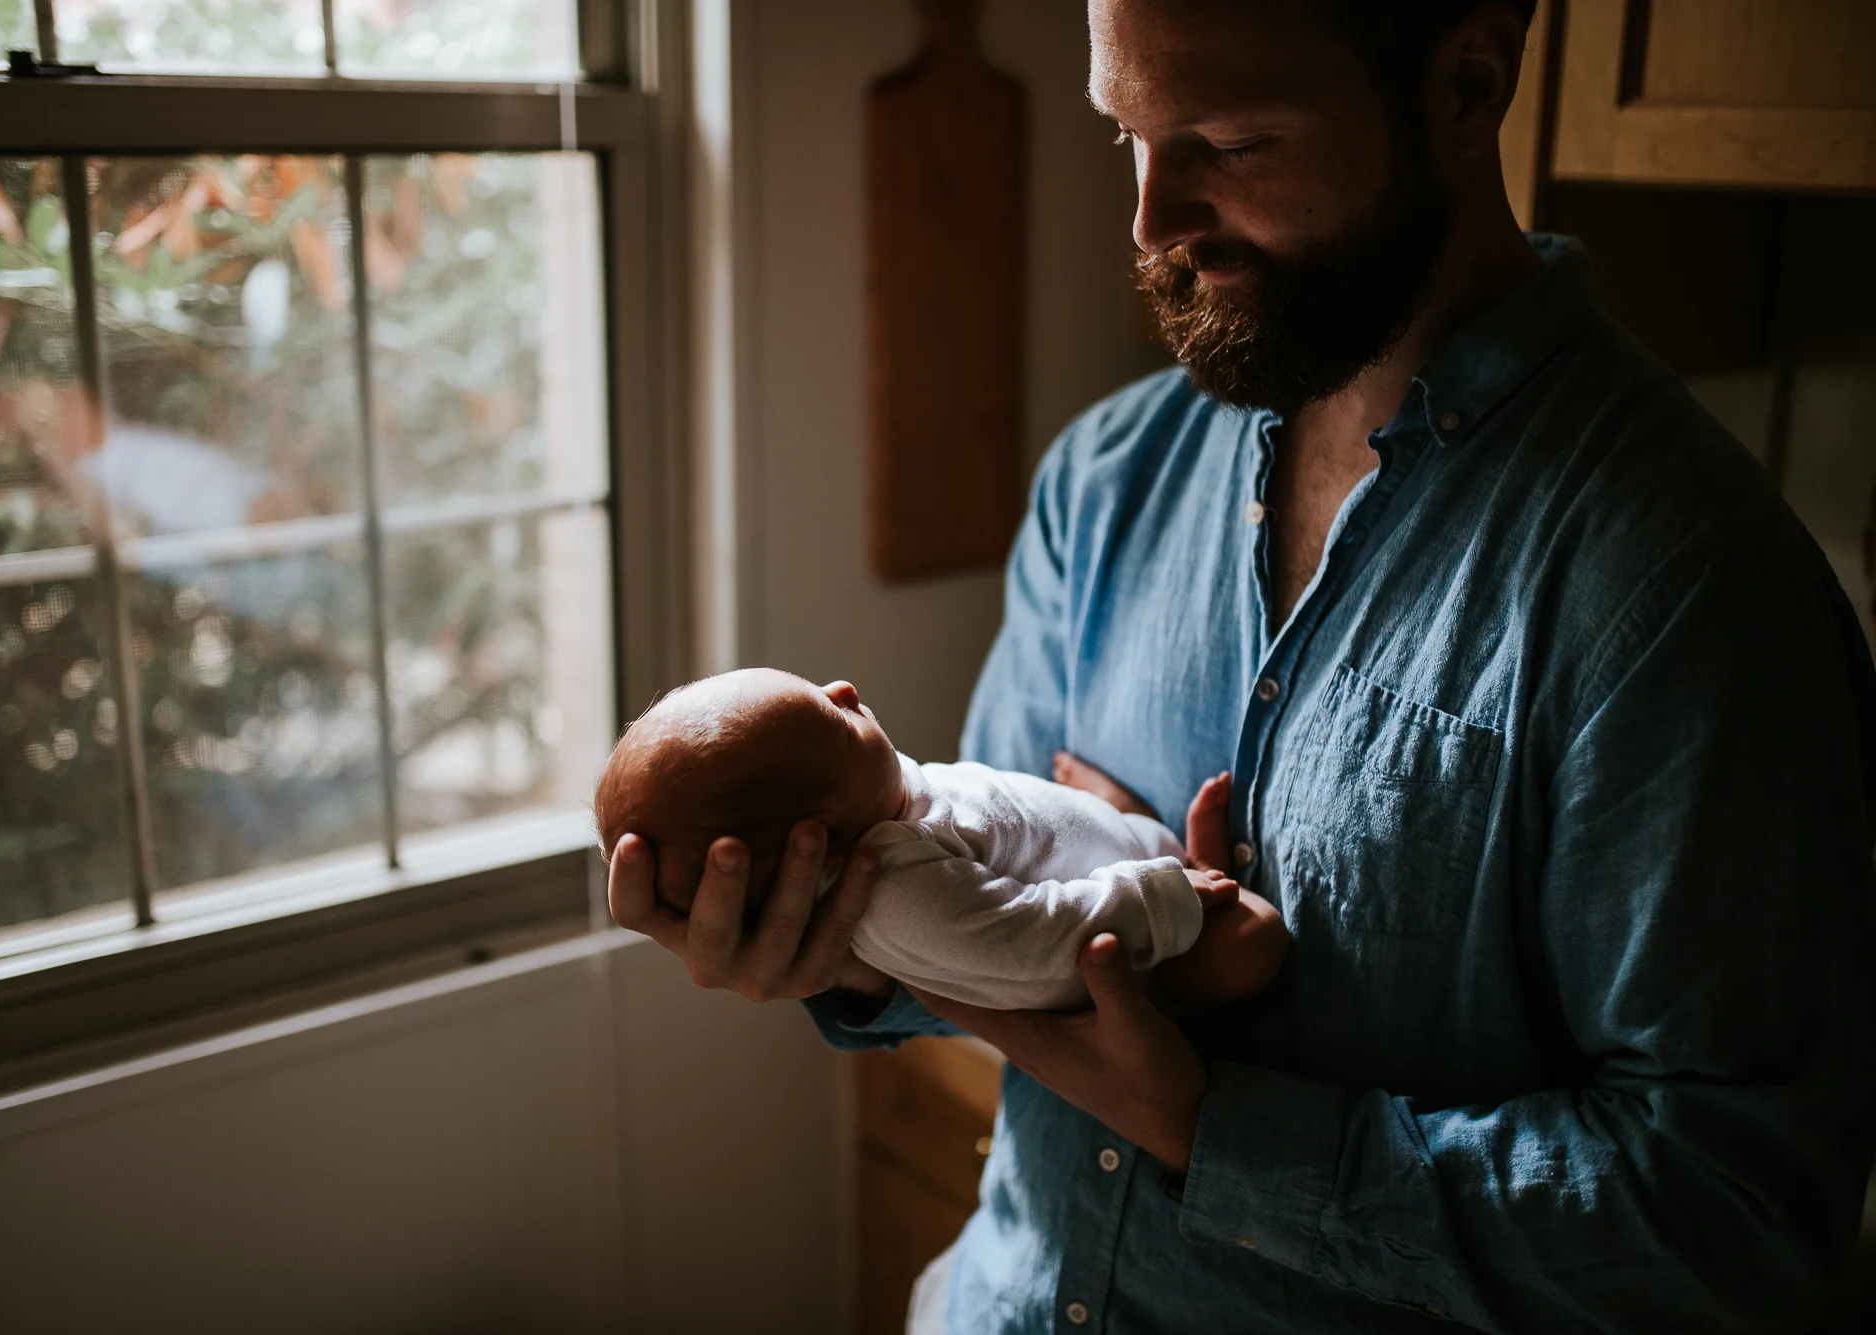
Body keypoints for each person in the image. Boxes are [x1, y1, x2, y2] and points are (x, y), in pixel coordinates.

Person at [609, 0, 1876, 1329]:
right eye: (1130, 133)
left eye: (1230, 138)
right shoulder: (1101, 486)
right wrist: (855, 943)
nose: (1153, 221)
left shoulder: (1686, 591)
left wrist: (1207, 1119)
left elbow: (1737, 1222)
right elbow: (975, 893)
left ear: (1468, 80)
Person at [592, 667, 1287, 1011]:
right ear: (822, 842)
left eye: (815, 688)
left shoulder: (884, 796)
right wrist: (1160, 898)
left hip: (1118, 853)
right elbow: (1036, 943)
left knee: (1087, 794)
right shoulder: (899, 893)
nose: (843, 689)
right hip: (1146, 962)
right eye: (831, 720)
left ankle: (1162, 844)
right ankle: (1190, 879)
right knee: (1255, 945)